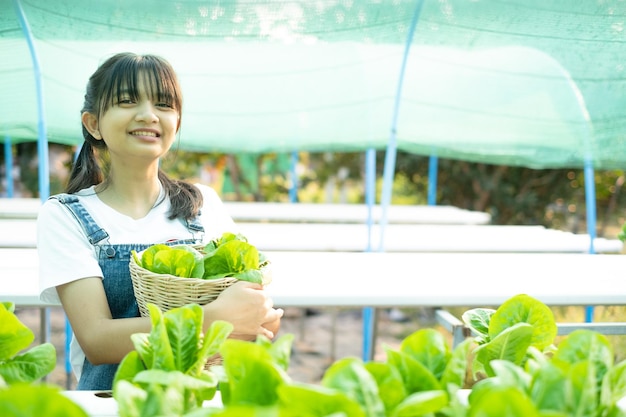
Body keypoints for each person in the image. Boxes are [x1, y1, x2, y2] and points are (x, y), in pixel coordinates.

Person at [37, 52, 283, 391]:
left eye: (164, 104)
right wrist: (212, 318)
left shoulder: (203, 205)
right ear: (93, 123)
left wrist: (260, 318)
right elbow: (97, 339)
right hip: (111, 405)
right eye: (127, 101)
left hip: (199, 402)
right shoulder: (66, 215)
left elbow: (254, 321)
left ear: (176, 122)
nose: (148, 115)